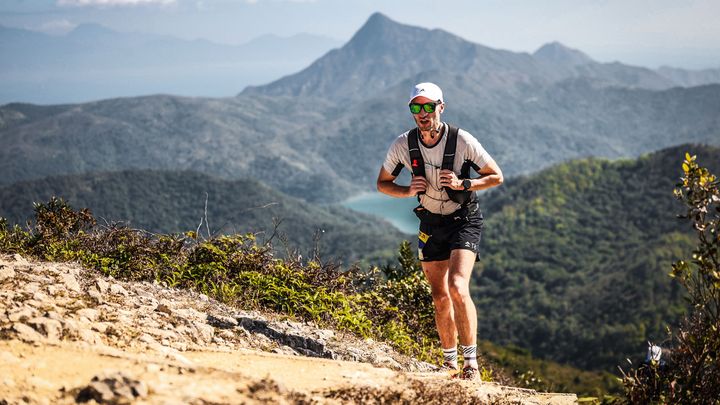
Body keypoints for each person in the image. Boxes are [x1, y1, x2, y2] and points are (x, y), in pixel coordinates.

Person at [376, 82, 503, 380]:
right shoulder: (403, 144)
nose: (422, 113)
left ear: (441, 107)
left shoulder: (462, 141)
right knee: (439, 296)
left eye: (428, 106)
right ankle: (449, 363)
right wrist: (407, 191)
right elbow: (382, 183)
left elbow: (495, 176)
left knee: (458, 286)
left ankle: (470, 365)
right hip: (431, 223)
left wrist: (464, 184)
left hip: (463, 219)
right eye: (416, 107)